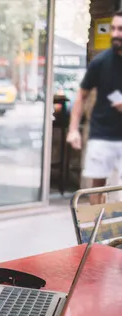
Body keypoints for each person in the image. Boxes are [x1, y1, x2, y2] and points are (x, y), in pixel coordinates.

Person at [67, 10, 122, 204]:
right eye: (113, 29)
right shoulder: (100, 62)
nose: (115, 34)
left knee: (118, 197)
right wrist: (73, 129)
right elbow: (81, 96)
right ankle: (96, 233)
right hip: (101, 135)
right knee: (97, 189)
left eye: (120, 29)